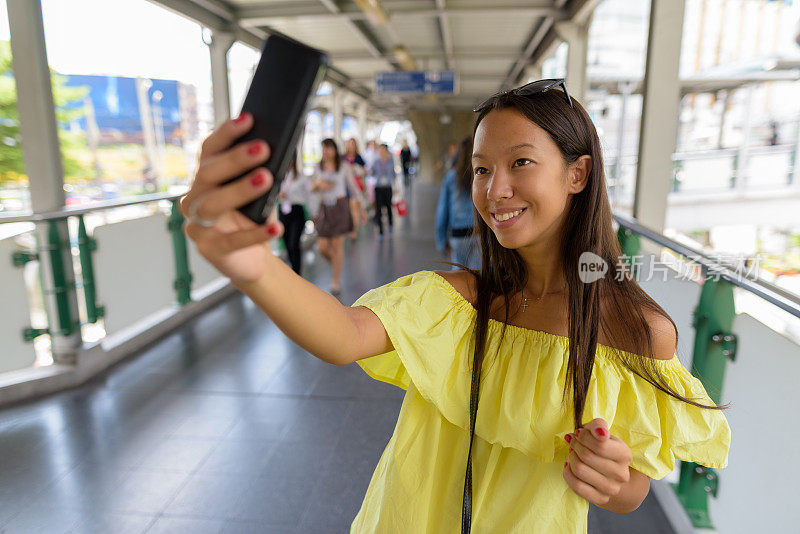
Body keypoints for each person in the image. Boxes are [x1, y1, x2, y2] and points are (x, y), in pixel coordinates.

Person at [180, 82, 730, 533]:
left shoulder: (636, 330)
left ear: (578, 174)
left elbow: (633, 488)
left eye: (520, 163)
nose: (496, 190)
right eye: (483, 169)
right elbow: (344, 334)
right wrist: (254, 266)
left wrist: (607, 477)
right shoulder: (460, 302)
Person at [310, 138, 359, 296]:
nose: (325, 152)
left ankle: (335, 280)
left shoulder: (343, 167)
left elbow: (353, 187)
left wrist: (360, 208)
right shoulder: (318, 168)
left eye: (328, 148)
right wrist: (318, 186)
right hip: (325, 209)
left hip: (340, 208)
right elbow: (311, 189)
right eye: (323, 149)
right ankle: (337, 265)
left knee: (337, 246)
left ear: (334, 150)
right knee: (322, 246)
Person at [435, 135, 480, 270]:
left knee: (458, 277)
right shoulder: (481, 174)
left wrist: (441, 240)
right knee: (478, 277)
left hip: (458, 234)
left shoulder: (451, 177)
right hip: (479, 233)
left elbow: (442, 210)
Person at [277, 151, 308, 275]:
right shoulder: (279, 177)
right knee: (287, 243)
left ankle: (297, 272)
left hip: (296, 210)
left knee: (293, 243)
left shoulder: (300, 177)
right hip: (283, 211)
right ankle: (294, 269)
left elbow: (307, 195)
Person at [369, 143, 397, 240]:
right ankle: (380, 230)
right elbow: (372, 173)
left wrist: (396, 187)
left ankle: (390, 224)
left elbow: (393, 174)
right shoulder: (376, 162)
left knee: (389, 206)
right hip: (379, 187)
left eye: (383, 149)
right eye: (380, 150)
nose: (381, 152)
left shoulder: (390, 161)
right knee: (379, 208)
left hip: (387, 187)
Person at [343, 138, 368, 239]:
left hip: (356, 186)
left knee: (354, 208)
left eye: (353, 144)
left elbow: (364, 172)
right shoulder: (343, 157)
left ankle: (354, 230)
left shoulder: (359, 158)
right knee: (348, 209)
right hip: (345, 187)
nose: (351, 146)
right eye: (350, 144)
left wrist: (356, 169)